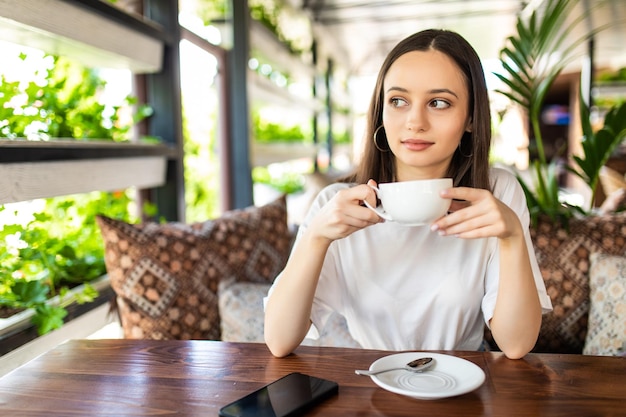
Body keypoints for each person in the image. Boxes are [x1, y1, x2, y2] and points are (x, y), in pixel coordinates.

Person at [264, 29, 553, 360]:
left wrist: (512, 235)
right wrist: (316, 238)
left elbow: (516, 345)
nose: (415, 122)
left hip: (463, 384)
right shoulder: (339, 203)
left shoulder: (496, 192)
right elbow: (279, 341)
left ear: (471, 117)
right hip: (374, 383)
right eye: (398, 101)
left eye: (439, 102)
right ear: (381, 112)